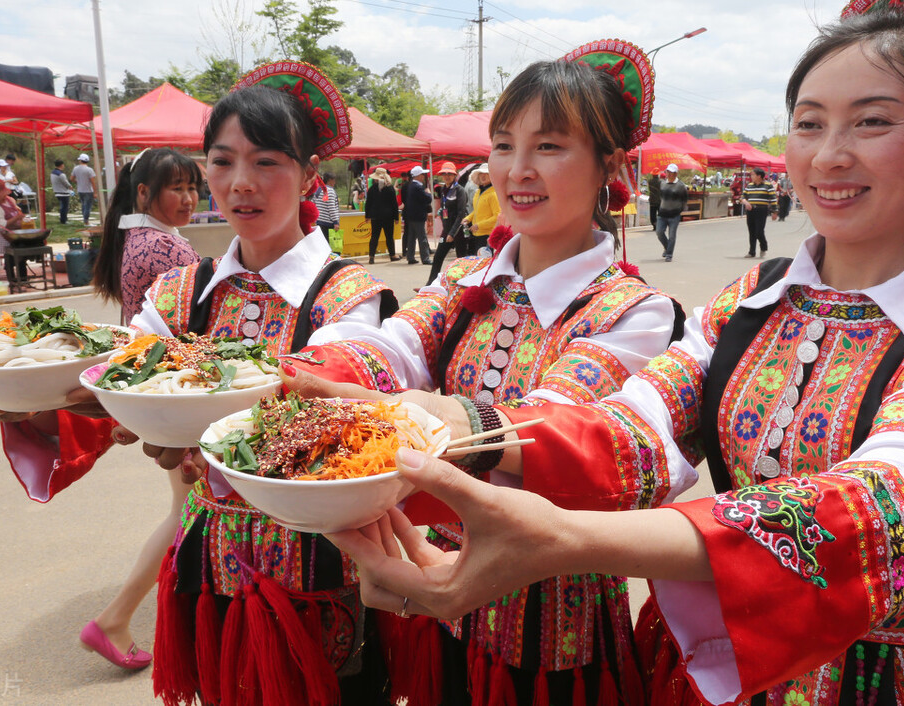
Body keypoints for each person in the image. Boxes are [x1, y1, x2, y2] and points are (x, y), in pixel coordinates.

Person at [321, 0, 904, 706]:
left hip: (888, 682)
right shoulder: (748, 302)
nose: (830, 155)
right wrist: (467, 429)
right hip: (710, 669)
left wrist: (565, 538)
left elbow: (879, 511)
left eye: (872, 122)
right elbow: (631, 431)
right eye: (808, 125)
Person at [0, 62, 399, 704]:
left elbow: (331, 408)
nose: (240, 185)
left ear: (308, 175)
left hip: (324, 574)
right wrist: (26, 395)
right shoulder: (180, 294)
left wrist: (187, 424)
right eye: (221, 163)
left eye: (267, 162)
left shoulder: (351, 296)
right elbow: (111, 385)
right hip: (212, 567)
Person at [286, 41, 682, 705]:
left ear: (609, 164)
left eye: (549, 147)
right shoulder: (463, 278)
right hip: (439, 593)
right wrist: (288, 376)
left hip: (555, 624)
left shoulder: (636, 312)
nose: (517, 171)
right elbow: (389, 348)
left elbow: (557, 429)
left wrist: (399, 416)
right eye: (503, 145)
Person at [75, 148, 203, 670]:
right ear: (144, 193)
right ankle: (114, 619)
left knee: (186, 512)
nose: (190, 198)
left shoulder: (140, 236)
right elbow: (201, 322)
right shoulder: (161, 247)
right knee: (184, 514)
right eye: (177, 187)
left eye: (194, 186)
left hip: (161, 394)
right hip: (176, 400)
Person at [426, 160, 469, 284]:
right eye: (444, 174)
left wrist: (452, 233)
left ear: (455, 175)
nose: (446, 176)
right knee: (438, 257)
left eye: (449, 174)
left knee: (461, 260)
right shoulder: (443, 189)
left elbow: (461, 213)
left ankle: (464, 285)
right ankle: (430, 284)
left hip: (458, 230)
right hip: (447, 230)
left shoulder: (459, 190)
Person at [364, 166, 400, 263]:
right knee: (389, 236)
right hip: (388, 216)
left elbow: (368, 203)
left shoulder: (372, 189)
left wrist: (367, 216)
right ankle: (392, 255)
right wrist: (396, 217)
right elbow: (394, 204)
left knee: (374, 237)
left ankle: (371, 256)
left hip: (375, 216)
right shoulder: (390, 188)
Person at [461, 164, 499, 254]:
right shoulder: (478, 192)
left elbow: (497, 216)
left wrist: (479, 225)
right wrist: (468, 218)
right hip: (477, 234)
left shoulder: (493, 194)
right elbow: (477, 210)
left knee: (485, 263)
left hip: (488, 235)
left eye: (486, 174)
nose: (483, 176)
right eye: (481, 174)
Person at [401, 165, 433, 265]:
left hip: (411, 215)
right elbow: (427, 199)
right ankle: (425, 258)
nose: (423, 176)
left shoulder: (411, 185)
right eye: (422, 174)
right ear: (418, 175)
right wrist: (429, 193)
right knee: (422, 238)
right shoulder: (417, 187)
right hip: (418, 216)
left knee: (412, 237)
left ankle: (410, 256)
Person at [656, 162, 687, 261]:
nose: (669, 174)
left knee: (672, 236)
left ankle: (669, 254)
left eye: (671, 172)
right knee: (659, 232)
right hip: (662, 214)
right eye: (668, 172)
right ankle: (667, 247)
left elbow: (684, 200)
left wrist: (679, 210)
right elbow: (660, 197)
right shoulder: (662, 183)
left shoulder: (681, 186)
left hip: (674, 215)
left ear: (676, 174)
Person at [741, 167, 774, 257]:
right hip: (751, 210)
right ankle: (752, 252)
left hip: (761, 210)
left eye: (753, 174)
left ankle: (763, 247)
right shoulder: (749, 185)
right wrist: (745, 202)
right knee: (751, 231)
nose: (751, 176)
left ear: (759, 176)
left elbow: (773, 198)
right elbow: (743, 197)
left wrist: (775, 211)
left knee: (759, 231)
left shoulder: (768, 185)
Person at [311, 171, 342, 243]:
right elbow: (331, 207)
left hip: (319, 221)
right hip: (328, 223)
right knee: (331, 246)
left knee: (322, 244)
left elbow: (313, 203)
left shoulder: (318, 190)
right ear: (330, 180)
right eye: (334, 180)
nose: (335, 182)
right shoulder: (329, 191)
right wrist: (336, 222)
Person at [73, 153, 99, 225]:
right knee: (88, 206)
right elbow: (93, 182)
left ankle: (84, 219)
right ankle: (86, 221)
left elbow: (71, 178)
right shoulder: (89, 170)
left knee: (83, 205)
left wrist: (78, 181)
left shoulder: (76, 169)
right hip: (88, 190)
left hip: (80, 190)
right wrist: (95, 192)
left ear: (80, 160)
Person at [50, 159, 75, 224]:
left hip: (57, 192)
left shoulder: (52, 173)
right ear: (61, 165)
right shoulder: (61, 174)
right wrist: (70, 187)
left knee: (62, 207)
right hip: (63, 193)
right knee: (64, 207)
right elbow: (65, 183)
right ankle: (64, 220)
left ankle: (62, 219)